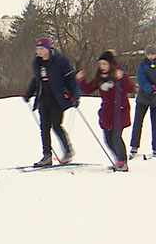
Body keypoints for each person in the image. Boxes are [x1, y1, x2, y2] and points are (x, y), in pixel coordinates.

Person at [23, 37, 78, 167]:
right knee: (44, 127)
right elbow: (36, 80)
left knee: (56, 125)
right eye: (37, 49)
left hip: (57, 98)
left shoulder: (60, 60)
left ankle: (68, 150)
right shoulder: (37, 63)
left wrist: (74, 96)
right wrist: (29, 93)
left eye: (41, 49)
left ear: (48, 49)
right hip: (43, 97)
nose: (39, 52)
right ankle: (47, 155)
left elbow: (70, 78)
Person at [77, 50, 135, 172]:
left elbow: (130, 88)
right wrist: (80, 81)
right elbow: (89, 89)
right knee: (108, 139)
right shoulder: (99, 77)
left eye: (105, 64)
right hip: (107, 111)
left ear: (110, 64)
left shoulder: (118, 75)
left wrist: (122, 78)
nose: (102, 67)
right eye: (100, 64)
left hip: (120, 109)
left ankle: (123, 162)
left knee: (116, 136)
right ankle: (118, 160)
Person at [129, 43, 156, 160]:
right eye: (149, 54)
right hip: (143, 98)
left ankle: (155, 147)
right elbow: (141, 80)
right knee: (138, 121)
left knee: (155, 124)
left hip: (155, 99)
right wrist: (151, 88)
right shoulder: (142, 64)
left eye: (153, 54)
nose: (151, 56)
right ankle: (134, 145)